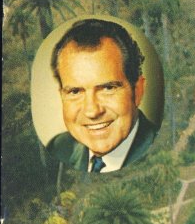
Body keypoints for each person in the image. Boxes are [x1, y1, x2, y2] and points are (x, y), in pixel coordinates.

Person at [45, 18, 158, 172]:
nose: (92, 111)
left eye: (108, 88)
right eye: (75, 92)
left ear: (137, 91)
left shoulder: (159, 151)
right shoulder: (60, 147)